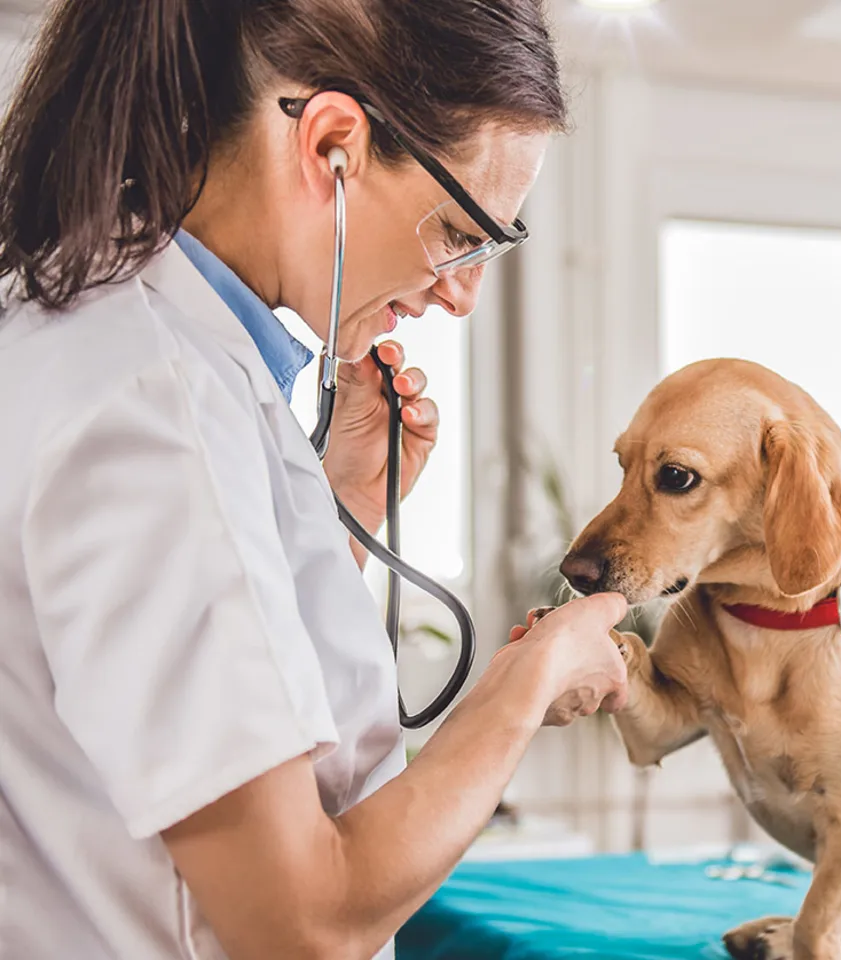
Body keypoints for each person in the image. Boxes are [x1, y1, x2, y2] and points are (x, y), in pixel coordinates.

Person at [0, 2, 629, 958]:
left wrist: (332, 512)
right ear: (332, 145)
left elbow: (162, 679)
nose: (461, 294)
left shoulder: (97, 336)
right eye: (463, 233)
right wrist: (525, 686)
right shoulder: (153, 407)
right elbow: (299, 920)